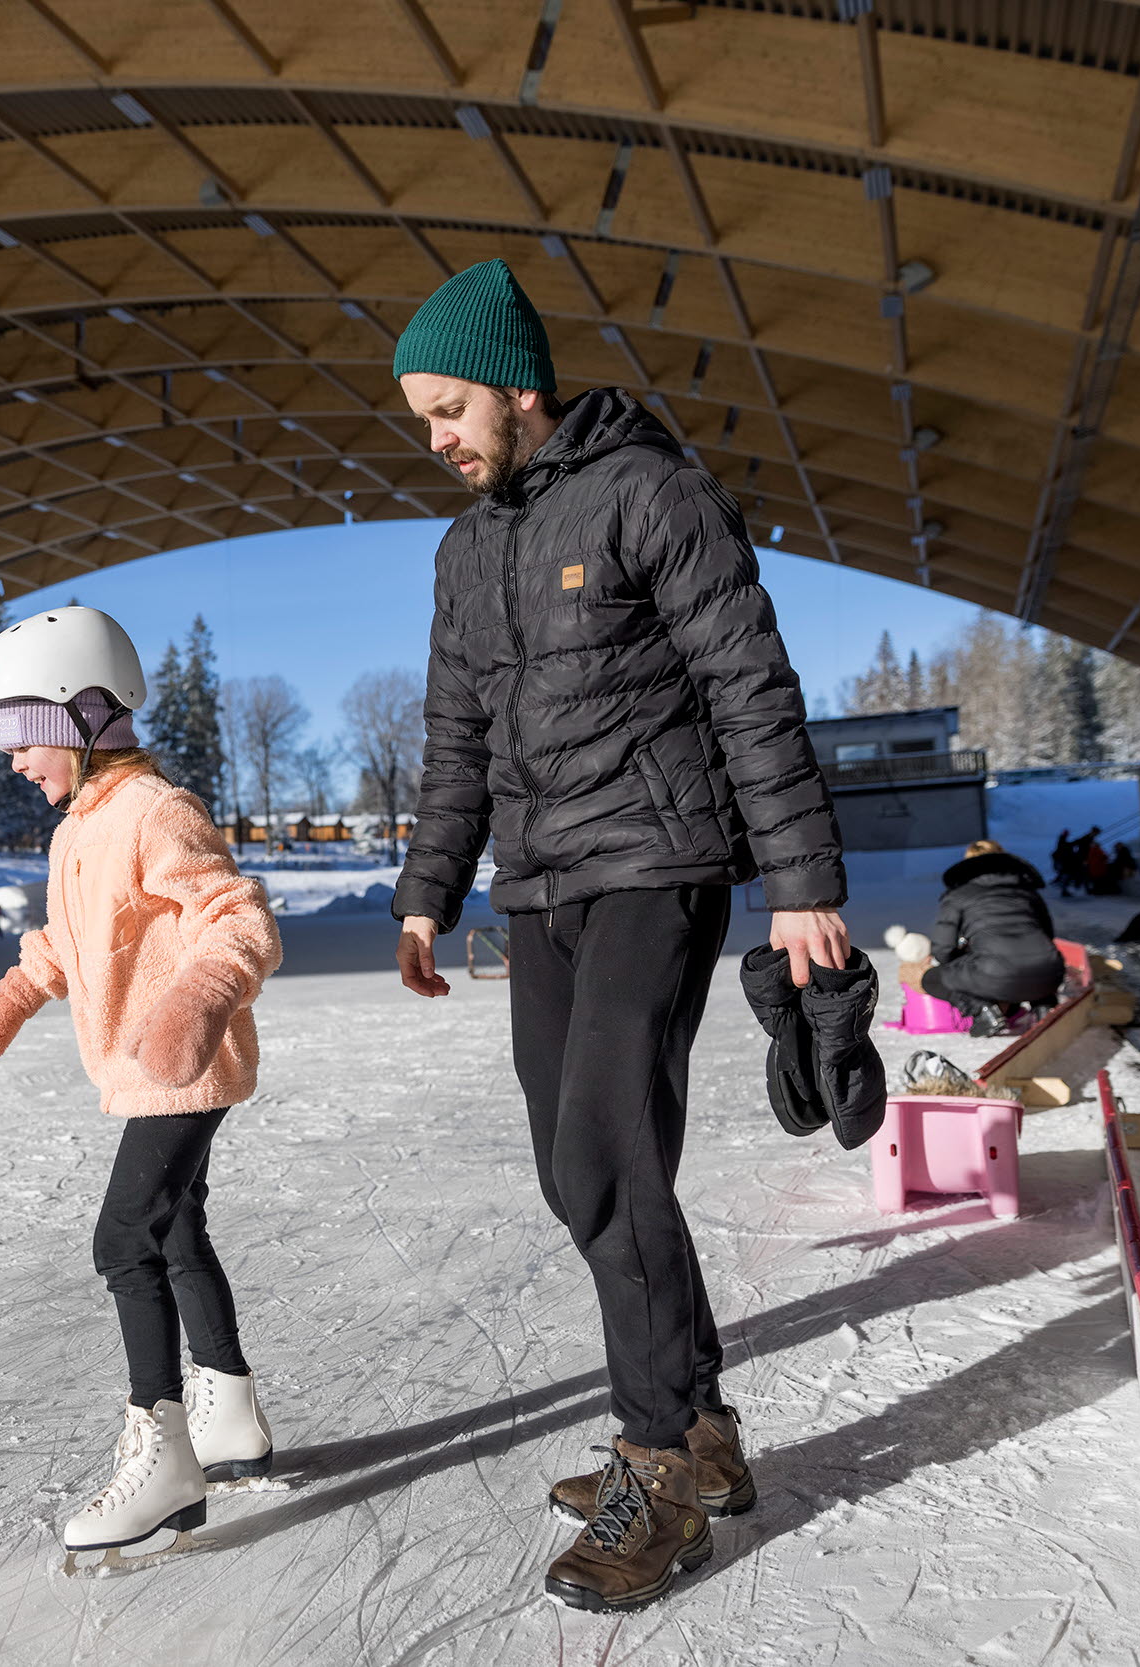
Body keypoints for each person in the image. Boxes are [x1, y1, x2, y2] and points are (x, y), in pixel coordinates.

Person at [388, 259, 852, 1613]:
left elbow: (749, 684)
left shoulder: (652, 491)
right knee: (575, 1165)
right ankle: (703, 1430)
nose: (437, 438)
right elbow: (455, 738)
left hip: (660, 862)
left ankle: (658, 1465)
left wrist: (801, 877)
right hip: (541, 887)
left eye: (450, 407)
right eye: (420, 417)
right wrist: (428, 887)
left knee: (605, 1146)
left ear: (519, 386)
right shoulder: (466, 551)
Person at [0, 606, 283, 1573]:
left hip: (186, 1066)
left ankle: (164, 1453)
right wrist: (8, 999)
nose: (12, 760)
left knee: (122, 1237)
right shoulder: (78, 831)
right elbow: (64, 942)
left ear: (85, 714)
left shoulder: (152, 810)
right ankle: (231, 1420)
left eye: (22, 735)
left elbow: (237, 919)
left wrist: (198, 999)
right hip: (136, 1073)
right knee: (174, 1229)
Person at [918, 839, 1066, 1037]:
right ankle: (1043, 1006)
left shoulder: (957, 896)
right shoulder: (1027, 892)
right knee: (1021, 963)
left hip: (998, 977)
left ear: (967, 864)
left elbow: (943, 950)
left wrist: (965, 958)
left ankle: (982, 1010)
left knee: (932, 978)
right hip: (1051, 974)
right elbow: (1046, 936)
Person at [1050, 829, 1079, 897]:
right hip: (1063, 862)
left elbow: (1066, 846)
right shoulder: (1062, 841)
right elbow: (1066, 847)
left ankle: (1061, 886)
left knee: (1063, 874)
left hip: (1061, 862)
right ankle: (1063, 890)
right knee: (1065, 876)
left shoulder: (1061, 840)